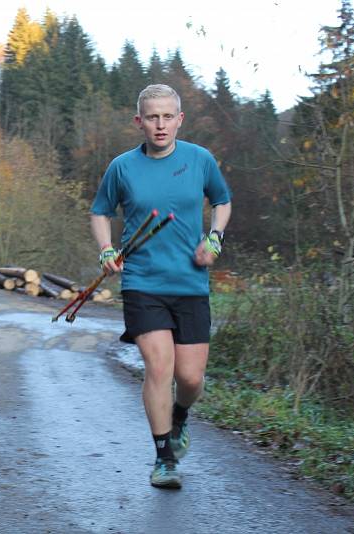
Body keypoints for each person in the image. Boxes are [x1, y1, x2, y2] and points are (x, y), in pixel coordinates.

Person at [90, 84, 232, 489]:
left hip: (190, 282)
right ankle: (164, 458)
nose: (160, 124)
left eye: (168, 116)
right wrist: (106, 250)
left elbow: (222, 201)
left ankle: (180, 417)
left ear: (179, 120)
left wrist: (214, 237)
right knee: (159, 366)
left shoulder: (200, 160)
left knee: (190, 378)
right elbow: (100, 211)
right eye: (152, 117)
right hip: (142, 283)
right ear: (139, 121)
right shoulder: (122, 167)